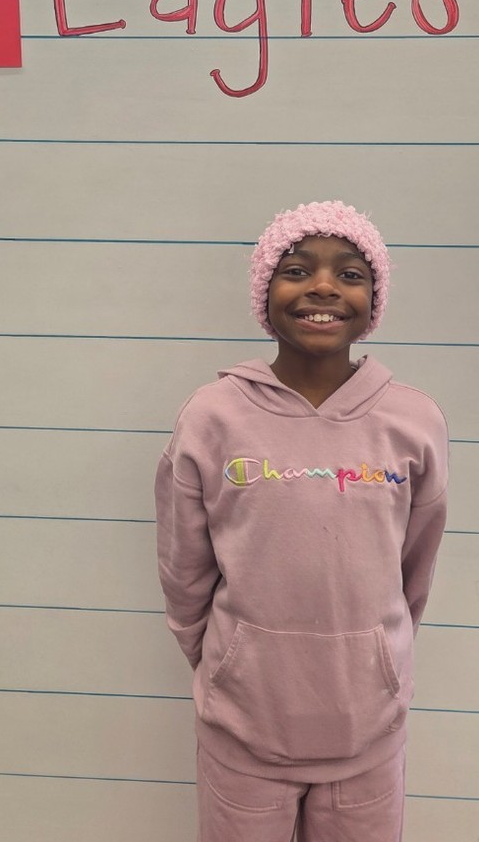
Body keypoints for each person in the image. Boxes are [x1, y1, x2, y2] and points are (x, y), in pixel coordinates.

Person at [154, 200, 449, 842]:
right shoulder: (212, 417)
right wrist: (229, 662)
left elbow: (414, 571)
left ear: (373, 299)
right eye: (296, 269)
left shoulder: (415, 422)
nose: (323, 287)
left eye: (350, 273)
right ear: (266, 293)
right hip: (245, 727)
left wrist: (380, 661)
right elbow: (185, 570)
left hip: (367, 729)